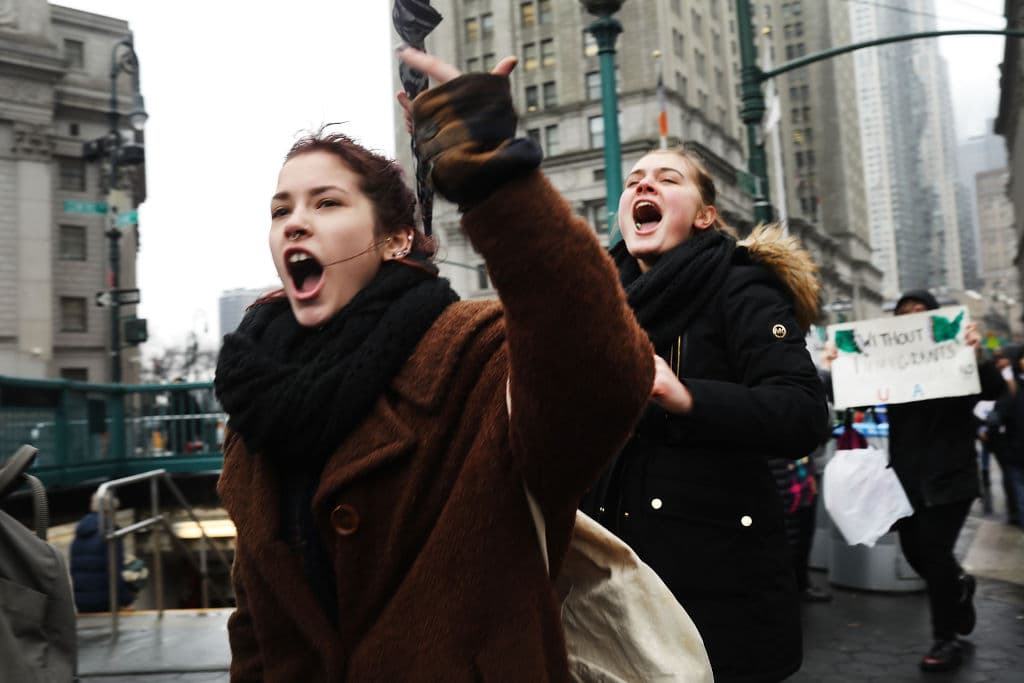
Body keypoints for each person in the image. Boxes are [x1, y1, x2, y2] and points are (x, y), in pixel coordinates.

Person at [212, 48, 653, 681]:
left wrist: (497, 182)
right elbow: (254, 620)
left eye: (327, 203)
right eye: (282, 210)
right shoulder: (255, 392)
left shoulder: (473, 353)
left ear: (394, 240)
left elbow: (602, 376)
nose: (295, 223)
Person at [580, 147, 829, 682]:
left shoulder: (741, 286)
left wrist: (686, 396)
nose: (644, 187)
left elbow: (803, 413)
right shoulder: (596, 298)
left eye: (667, 179)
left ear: (704, 215)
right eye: (634, 181)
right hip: (612, 582)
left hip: (714, 589)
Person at [887, 289, 1007, 672]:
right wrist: (840, 364)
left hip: (951, 477)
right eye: (905, 313)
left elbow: (995, 389)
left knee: (935, 553)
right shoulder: (891, 368)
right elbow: (851, 396)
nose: (913, 317)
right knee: (915, 551)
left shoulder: (959, 357)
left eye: (922, 312)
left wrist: (976, 354)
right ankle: (958, 585)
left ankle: (945, 638)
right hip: (906, 480)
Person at [69, 493, 138, 613]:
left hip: (81, 601)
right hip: (105, 602)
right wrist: (126, 599)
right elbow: (114, 571)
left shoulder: (80, 534)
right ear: (111, 510)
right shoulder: (110, 535)